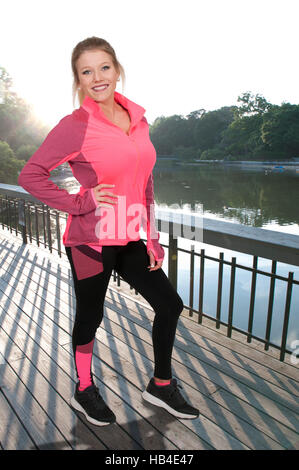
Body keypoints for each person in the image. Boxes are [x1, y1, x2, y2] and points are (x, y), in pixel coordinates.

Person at [18, 36, 199, 426]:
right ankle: (84, 388)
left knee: (170, 305)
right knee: (91, 315)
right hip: (90, 240)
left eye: (104, 67)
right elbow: (30, 175)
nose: (97, 77)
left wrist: (150, 236)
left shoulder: (138, 119)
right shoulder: (75, 125)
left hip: (131, 236)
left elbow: (145, 183)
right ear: (79, 81)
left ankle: (161, 384)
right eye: (86, 71)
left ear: (117, 70)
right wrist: (80, 201)